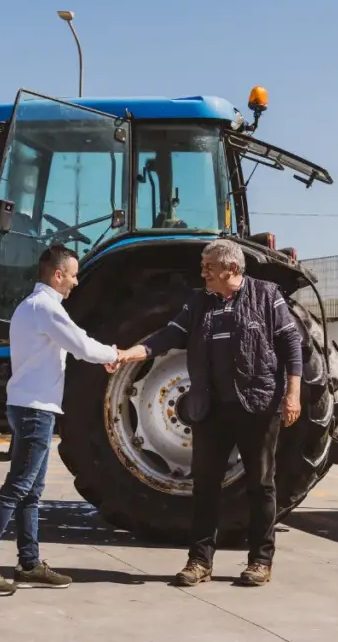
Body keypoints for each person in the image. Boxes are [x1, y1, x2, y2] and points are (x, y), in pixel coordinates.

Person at [111, 238, 302, 587]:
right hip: (210, 409)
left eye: (208, 267)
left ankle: (261, 561)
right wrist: (130, 353)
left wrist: (293, 395)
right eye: (203, 267)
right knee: (205, 487)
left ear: (231, 268)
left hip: (257, 406)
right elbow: (169, 334)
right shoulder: (200, 302)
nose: (203, 273)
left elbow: (291, 345)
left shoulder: (266, 295)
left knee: (260, 484)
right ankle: (199, 561)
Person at [0, 243, 122, 596]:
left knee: (31, 492)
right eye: (74, 275)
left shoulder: (28, 308)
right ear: (58, 274)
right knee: (18, 487)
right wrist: (116, 354)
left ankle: (29, 563)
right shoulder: (47, 308)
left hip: (29, 407)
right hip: (35, 410)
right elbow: (81, 345)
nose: (76, 283)